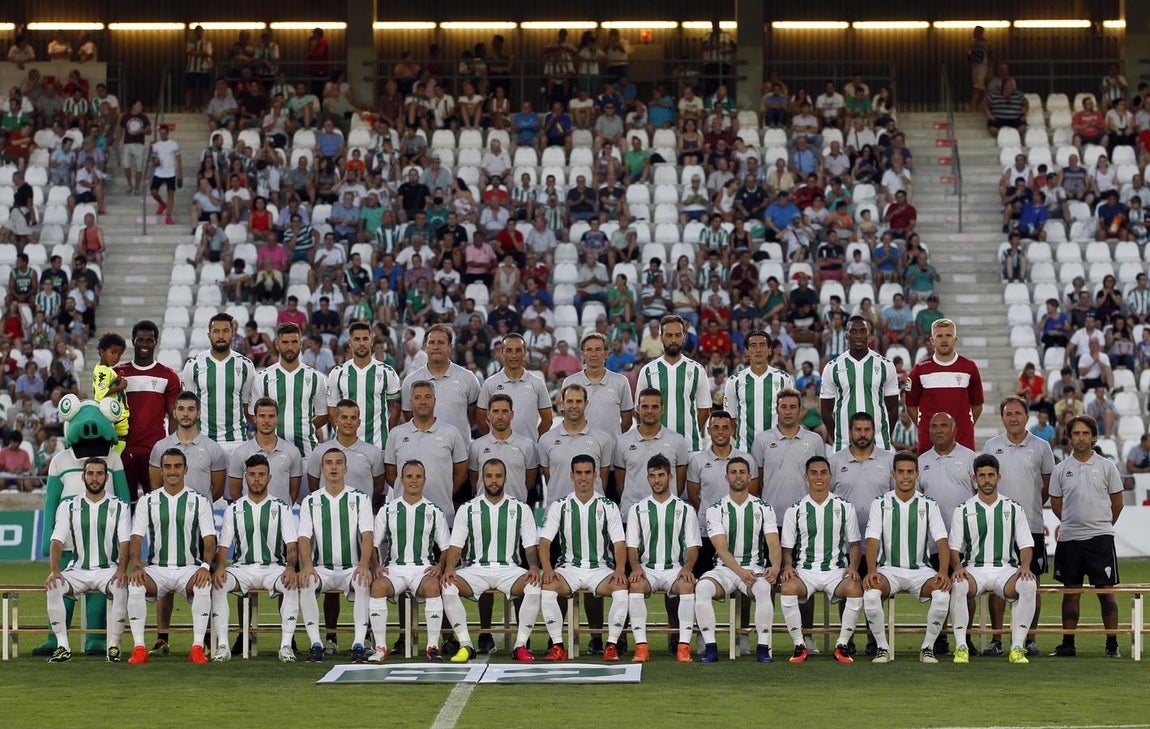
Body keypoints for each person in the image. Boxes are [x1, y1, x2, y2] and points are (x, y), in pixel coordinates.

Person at [440, 458, 543, 663]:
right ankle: (466, 645)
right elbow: (456, 546)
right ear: (481, 478)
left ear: (505, 478)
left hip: (510, 569)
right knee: (447, 585)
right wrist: (450, 568)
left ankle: (520, 646)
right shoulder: (468, 508)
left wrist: (532, 567)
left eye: (498, 476)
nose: (493, 481)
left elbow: (530, 546)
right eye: (489, 476)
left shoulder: (520, 508)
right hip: (476, 569)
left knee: (534, 585)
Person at [125, 449, 217, 665]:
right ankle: (139, 648)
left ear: (185, 469)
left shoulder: (199, 501)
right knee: (135, 585)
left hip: (189, 569)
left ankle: (196, 648)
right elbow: (136, 539)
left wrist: (205, 566)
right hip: (157, 569)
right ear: (161, 470)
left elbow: (210, 540)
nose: (172, 471)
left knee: (204, 585)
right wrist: (137, 566)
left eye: (177, 466)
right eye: (167, 467)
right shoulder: (147, 501)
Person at [209, 454, 301, 663]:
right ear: (245, 478)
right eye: (251, 475)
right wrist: (221, 566)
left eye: (261, 475)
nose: (256, 479)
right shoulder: (234, 508)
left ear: (269, 478)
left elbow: (291, 546)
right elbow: (223, 546)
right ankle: (223, 645)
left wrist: (290, 568)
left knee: (291, 584)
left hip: (274, 568)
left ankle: (286, 646)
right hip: (242, 569)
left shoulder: (281, 507)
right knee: (218, 584)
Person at [862, 452, 952, 664]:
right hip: (888, 570)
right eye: (901, 472)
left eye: (910, 472)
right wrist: (872, 571)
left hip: (921, 570)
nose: (905, 476)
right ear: (893, 474)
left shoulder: (929, 504)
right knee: (871, 595)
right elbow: (872, 541)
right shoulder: (880, 503)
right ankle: (882, 648)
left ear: (917, 474)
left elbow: (942, 541)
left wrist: (943, 572)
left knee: (942, 595)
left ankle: (927, 648)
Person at [948, 453, 1038, 665]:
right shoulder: (963, 509)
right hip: (974, 569)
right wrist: (958, 566)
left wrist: (1025, 565)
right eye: (982, 476)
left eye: (991, 475)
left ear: (999, 477)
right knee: (959, 585)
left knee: (1028, 584)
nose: (986, 480)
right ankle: (961, 647)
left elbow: (1026, 545)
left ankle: (1017, 647)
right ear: (974, 479)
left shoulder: (1013, 508)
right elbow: (954, 547)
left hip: (1005, 570)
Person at [537, 454, 629, 662]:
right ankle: (558, 645)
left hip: (601, 569)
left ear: (595, 475)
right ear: (571, 475)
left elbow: (619, 543)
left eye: (588, 472)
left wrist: (620, 570)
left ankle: (611, 645)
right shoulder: (559, 505)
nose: (583, 477)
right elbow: (544, 542)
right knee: (548, 587)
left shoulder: (608, 506)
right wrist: (548, 569)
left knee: (621, 589)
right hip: (569, 568)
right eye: (578, 473)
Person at [983, 395, 1055, 657]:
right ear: (1002, 418)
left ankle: (1030, 638)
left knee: (1031, 582)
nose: (1013, 418)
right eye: (1008, 414)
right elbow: (985, 483)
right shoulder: (991, 446)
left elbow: (1047, 486)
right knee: (996, 583)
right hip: (998, 527)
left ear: (1027, 417)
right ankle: (997, 639)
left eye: (1018, 413)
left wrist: (1028, 508)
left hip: (1032, 526)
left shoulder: (1042, 447)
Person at [1048, 415, 1125, 658]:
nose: (1081, 438)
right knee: (1070, 593)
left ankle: (1112, 644)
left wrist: (1100, 525)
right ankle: (1068, 644)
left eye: (1085, 433)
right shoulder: (1060, 470)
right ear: (1069, 438)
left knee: (1106, 592)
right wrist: (1075, 524)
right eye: (1076, 434)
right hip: (1070, 539)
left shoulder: (1107, 466)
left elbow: (1118, 503)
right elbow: (1057, 506)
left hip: (1100, 539)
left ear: (1093, 437)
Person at [43, 458, 131, 663]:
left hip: (107, 570)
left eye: (99, 473)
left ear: (107, 477)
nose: (94, 478)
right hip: (78, 570)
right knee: (54, 586)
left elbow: (125, 542)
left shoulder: (119, 506)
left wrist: (121, 571)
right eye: (90, 474)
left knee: (120, 587)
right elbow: (56, 540)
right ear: (83, 476)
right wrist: (55, 570)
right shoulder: (68, 505)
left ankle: (114, 646)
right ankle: (63, 646)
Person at [695, 457, 781, 664]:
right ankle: (711, 647)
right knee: (702, 589)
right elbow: (721, 548)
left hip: (753, 568)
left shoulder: (763, 507)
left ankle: (762, 647)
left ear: (750, 477)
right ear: (726, 477)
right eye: (733, 472)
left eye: (742, 471)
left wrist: (776, 567)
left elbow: (773, 543)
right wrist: (740, 572)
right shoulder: (716, 509)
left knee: (762, 589)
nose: (738, 475)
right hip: (724, 569)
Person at [779, 456, 864, 663]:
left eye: (823, 472)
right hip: (805, 571)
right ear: (806, 476)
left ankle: (842, 644)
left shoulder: (844, 507)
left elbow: (854, 545)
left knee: (854, 589)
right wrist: (788, 566)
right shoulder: (795, 509)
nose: (818, 477)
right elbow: (787, 548)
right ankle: (800, 645)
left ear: (830, 476)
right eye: (813, 473)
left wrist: (853, 567)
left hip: (836, 570)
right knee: (788, 588)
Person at [367, 460, 452, 662]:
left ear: (424, 480)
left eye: (418, 476)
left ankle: (432, 647)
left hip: (422, 569)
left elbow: (447, 547)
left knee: (433, 586)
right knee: (378, 587)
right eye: (409, 476)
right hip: (394, 568)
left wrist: (440, 565)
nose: (413, 480)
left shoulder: (434, 511)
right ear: (401, 480)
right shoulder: (387, 510)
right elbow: (371, 542)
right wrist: (377, 566)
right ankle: (380, 648)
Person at [297, 448, 375, 662]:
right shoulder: (311, 500)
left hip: (352, 567)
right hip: (321, 567)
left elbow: (367, 535)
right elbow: (304, 538)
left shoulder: (360, 498)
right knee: (306, 582)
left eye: (338, 462)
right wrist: (307, 566)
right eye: (329, 463)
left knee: (362, 581)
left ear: (345, 468)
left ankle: (359, 643)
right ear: (322, 468)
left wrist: (363, 565)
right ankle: (315, 644)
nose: (333, 467)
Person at [625, 454, 700, 663]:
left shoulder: (685, 509)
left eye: (660, 475)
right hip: (648, 568)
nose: (656, 480)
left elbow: (693, 546)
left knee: (687, 586)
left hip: (675, 568)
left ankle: (683, 647)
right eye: (652, 476)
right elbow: (631, 545)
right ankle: (641, 647)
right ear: (647, 478)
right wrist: (635, 567)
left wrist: (687, 568)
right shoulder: (637, 509)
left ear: (670, 476)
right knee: (636, 585)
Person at [384, 381, 468, 523]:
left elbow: (461, 473)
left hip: (442, 516)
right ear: (411, 402)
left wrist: (445, 491)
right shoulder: (396, 434)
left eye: (427, 397)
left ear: (435, 400)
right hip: (404, 518)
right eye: (417, 397)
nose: (423, 401)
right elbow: (391, 474)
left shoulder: (451, 433)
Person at [115, 321, 181, 502]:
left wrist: (172, 447)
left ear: (156, 342)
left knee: (155, 506)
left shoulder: (168, 375)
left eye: (149, 340)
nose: (145, 344)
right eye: (140, 340)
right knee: (125, 507)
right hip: (123, 452)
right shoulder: (117, 373)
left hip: (155, 452)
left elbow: (174, 416)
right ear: (133, 341)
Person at [820, 316, 899, 451]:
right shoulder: (832, 367)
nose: (858, 336)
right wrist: (840, 438)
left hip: (879, 444)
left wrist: (883, 436)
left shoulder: (886, 365)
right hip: (844, 444)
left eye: (863, 331)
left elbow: (893, 409)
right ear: (846, 335)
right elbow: (826, 411)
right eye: (853, 331)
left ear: (869, 335)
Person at [905, 319, 983, 455]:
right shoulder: (920, 369)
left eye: (948, 335)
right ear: (932, 340)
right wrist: (925, 427)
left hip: (962, 441)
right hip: (929, 443)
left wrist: (964, 425)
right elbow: (910, 406)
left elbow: (977, 406)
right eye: (939, 336)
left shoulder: (969, 367)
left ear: (955, 339)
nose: (944, 340)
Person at [251, 323, 328, 459]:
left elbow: (324, 414)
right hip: (270, 453)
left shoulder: (316, 377)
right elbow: (253, 414)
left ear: (301, 344)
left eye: (294, 342)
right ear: (277, 344)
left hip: (307, 452)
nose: (290, 347)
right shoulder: (262, 377)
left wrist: (304, 427)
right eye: (285, 342)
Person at [636, 315, 712, 450]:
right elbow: (638, 410)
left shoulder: (697, 370)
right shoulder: (647, 370)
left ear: (684, 337)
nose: (673, 340)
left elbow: (705, 410)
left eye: (677, 335)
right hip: (654, 446)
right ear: (661, 337)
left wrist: (689, 430)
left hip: (689, 446)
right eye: (669, 335)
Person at [181, 314, 255, 451]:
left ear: (233, 333)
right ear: (209, 335)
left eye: (226, 331)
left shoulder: (246, 365)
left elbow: (246, 405)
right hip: (202, 441)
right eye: (216, 331)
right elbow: (189, 406)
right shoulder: (193, 364)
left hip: (237, 442)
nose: (221, 335)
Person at [401, 324, 481, 445]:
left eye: (441, 342)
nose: (436, 346)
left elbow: (473, 416)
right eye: (432, 342)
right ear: (425, 347)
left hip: (460, 453)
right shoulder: (410, 381)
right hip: (423, 452)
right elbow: (408, 416)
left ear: (449, 347)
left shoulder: (468, 378)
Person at [327, 321, 401, 451]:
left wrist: (385, 434)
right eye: (357, 339)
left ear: (371, 341)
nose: (361, 343)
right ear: (350, 343)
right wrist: (342, 433)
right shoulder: (337, 373)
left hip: (379, 446)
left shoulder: (387, 372)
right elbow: (332, 409)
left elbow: (395, 408)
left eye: (365, 339)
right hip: (345, 448)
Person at [148, 391, 227, 502]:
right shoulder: (160, 447)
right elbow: (156, 487)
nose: (185, 414)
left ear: (198, 413)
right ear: (174, 413)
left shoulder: (213, 448)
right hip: (170, 516)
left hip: (202, 517)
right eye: (181, 409)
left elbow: (218, 490)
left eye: (190, 409)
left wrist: (198, 506)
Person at [724, 330, 794, 452]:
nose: (758, 350)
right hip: (744, 451)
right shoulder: (734, 381)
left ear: (769, 350)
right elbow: (730, 419)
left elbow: (790, 416)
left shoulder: (784, 379)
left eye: (762, 345)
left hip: (778, 450)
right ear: (746, 351)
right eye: (753, 345)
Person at [476, 333, 552, 440]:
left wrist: (532, 441)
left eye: (518, 350)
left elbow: (548, 419)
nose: (514, 355)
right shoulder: (490, 384)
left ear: (525, 352)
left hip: (529, 453)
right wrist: (492, 439)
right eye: (509, 350)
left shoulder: (537, 383)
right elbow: (480, 418)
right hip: (497, 452)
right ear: (501, 352)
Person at [226, 398, 302, 504]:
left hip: (281, 517)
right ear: (255, 419)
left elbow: (294, 493)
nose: (266, 420)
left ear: (277, 419)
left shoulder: (292, 452)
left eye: (271, 416)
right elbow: (235, 493)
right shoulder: (240, 452)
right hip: (250, 517)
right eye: (262, 416)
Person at [562, 332, 634, 436]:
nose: (594, 354)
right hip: (579, 449)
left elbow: (627, 420)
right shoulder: (569, 382)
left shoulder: (620, 382)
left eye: (598, 349)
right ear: (583, 354)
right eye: (589, 350)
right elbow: (567, 418)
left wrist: (612, 440)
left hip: (612, 450)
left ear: (606, 353)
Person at [93, 333, 129, 453]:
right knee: (111, 460)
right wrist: (120, 387)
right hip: (112, 421)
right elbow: (101, 393)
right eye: (113, 352)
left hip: (117, 421)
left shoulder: (108, 370)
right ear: (102, 352)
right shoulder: (102, 371)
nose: (116, 357)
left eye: (119, 354)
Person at [149, 124, 182, 226]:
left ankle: (168, 216)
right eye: (161, 133)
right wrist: (155, 162)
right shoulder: (156, 145)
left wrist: (180, 174)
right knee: (153, 192)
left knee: (170, 194)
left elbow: (179, 159)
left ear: (168, 133)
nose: (162, 135)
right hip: (159, 172)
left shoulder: (174, 144)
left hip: (171, 172)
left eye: (164, 133)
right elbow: (153, 160)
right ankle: (162, 204)